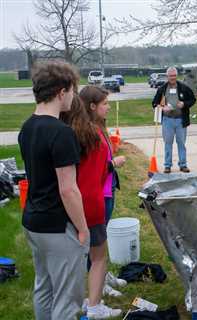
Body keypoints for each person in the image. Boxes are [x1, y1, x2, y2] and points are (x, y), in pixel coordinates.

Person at [18, 61, 90, 319]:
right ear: (61, 91)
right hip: (57, 227)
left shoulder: (27, 127)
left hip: (33, 222)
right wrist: (82, 229)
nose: (73, 96)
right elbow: (68, 190)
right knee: (67, 299)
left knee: (44, 286)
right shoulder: (61, 133)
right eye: (72, 90)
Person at [62, 86, 122, 318]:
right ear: (91, 106)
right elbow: (89, 178)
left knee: (94, 255)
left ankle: (94, 292)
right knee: (98, 256)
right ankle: (94, 304)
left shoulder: (86, 131)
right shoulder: (91, 136)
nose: (108, 107)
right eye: (105, 103)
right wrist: (114, 163)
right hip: (93, 202)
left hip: (89, 201)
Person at [152, 67, 196, 173]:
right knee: (168, 143)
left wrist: (184, 104)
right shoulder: (162, 89)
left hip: (181, 120)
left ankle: (183, 164)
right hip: (167, 120)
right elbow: (154, 103)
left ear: (177, 76)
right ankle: (167, 165)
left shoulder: (184, 88)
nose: (172, 77)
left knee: (181, 143)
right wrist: (162, 108)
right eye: (170, 76)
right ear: (167, 76)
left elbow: (193, 99)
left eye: (174, 75)